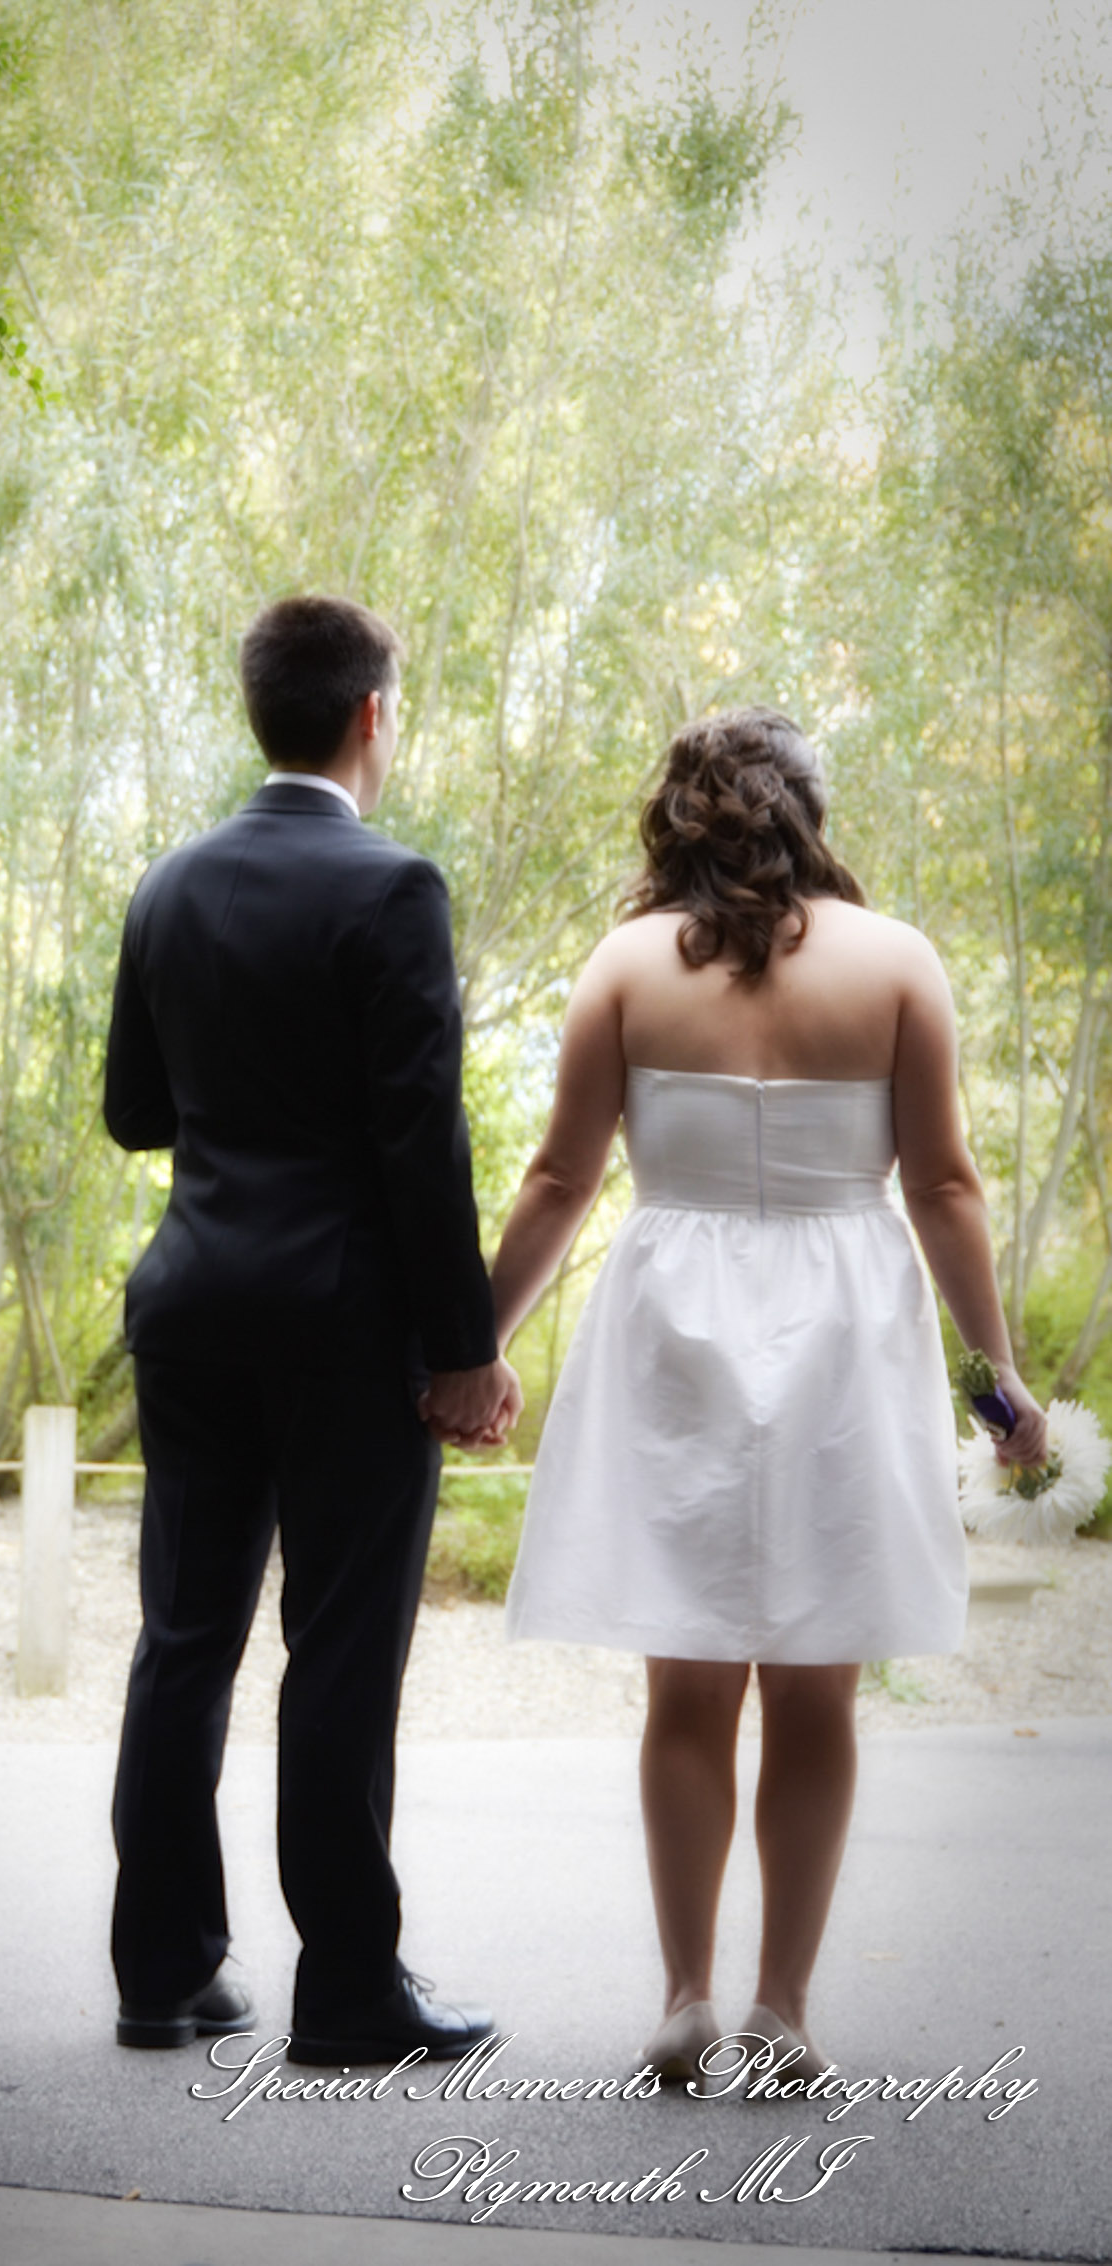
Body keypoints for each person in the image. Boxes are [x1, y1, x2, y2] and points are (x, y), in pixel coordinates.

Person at [488, 705, 1047, 2085]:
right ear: (811, 810)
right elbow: (944, 1188)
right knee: (817, 1690)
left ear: (673, 815)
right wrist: (997, 1383)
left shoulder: (624, 966)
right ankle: (782, 2008)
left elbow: (558, 1183)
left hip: (674, 1317)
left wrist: (467, 1342)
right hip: (847, 1328)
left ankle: (683, 1995)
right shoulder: (897, 961)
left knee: (685, 1687)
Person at [103, 593, 521, 2062]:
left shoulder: (168, 884)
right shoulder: (394, 886)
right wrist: (465, 1346)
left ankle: (161, 1968)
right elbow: (424, 1138)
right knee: (339, 1647)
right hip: (346, 1320)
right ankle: (345, 1987)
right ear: (370, 717)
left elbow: (133, 1114)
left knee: (184, 1633)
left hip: (194, 1300)